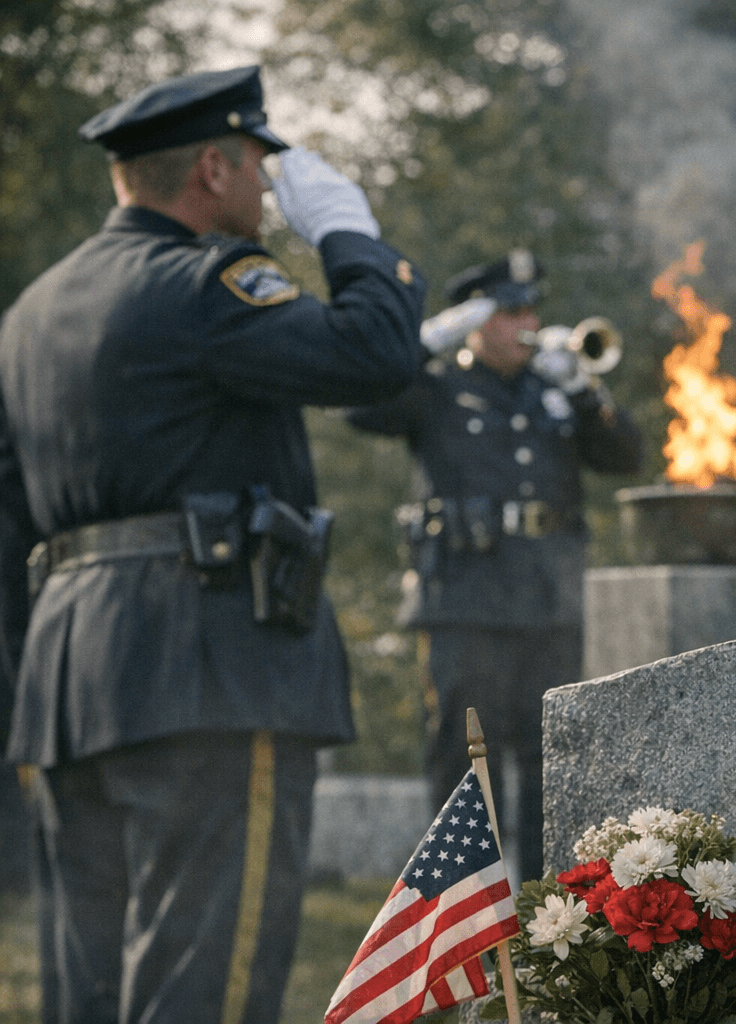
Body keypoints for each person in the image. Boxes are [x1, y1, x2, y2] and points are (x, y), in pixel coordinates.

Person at [0, 66, 426, 1023]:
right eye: (261, 168)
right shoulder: (204, 281)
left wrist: (24, 679)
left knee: (90, 989)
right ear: (212, 167)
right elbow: (375, 355)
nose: (272, 191)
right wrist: (350, 233)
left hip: (66, 677)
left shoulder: (29, 313)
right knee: (208, 982)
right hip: (210, 662)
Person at [345, 252, 644, 882]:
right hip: (464, 596)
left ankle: (543, 911)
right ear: (475, 321)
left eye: (530, 310)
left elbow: (626, 457)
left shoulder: (553, 389)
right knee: (463, 756)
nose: (527, 324)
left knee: (552, 756)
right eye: (510, 312)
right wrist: (428, 341)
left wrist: (584, 390)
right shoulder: (437, 387)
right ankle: (463, 916)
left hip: (547, 597)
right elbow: (359, 406)